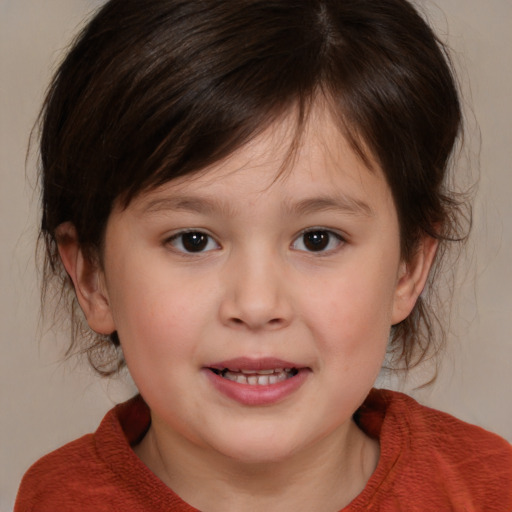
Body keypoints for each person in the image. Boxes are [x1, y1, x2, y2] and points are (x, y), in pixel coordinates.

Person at [14, 0, 512, 510]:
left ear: (408, 269)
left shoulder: (489, 490)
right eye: (193, 240)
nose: (255, 305)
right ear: (92, 277)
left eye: (318, 239)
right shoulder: (58, 499)